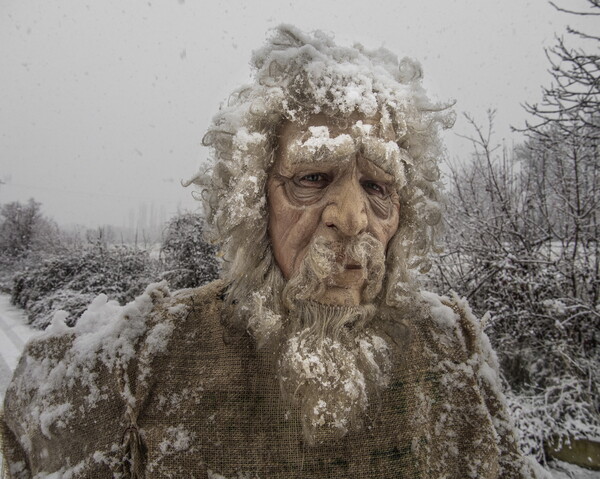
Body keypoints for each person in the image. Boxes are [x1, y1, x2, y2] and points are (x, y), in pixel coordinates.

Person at [2, 26, 541, 478]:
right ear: (253, 200)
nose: (351, 217)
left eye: (379, 188)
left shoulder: (451, 349)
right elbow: (30, 420)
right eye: (311, 176)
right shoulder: (154, 356)